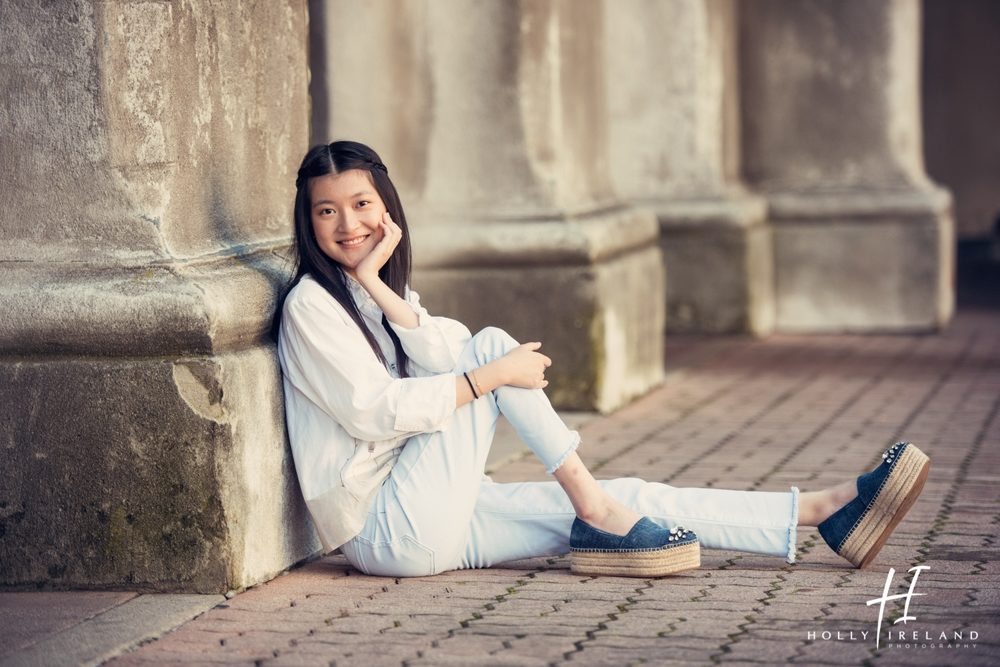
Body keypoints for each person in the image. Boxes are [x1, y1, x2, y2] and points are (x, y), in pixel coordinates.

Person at [274, 140, 930, 578]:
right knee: (494, 348)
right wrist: (493, 376)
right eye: (326, 211)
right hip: (385, 528)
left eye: (361, 205)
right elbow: (375, 409)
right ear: (309, 221)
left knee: (631, 502)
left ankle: (822, 511)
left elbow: (440, 354)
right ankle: (588, 500)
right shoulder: (310, 306)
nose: (347, 225)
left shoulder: (369, 294)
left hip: (439, 511)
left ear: (387, 209)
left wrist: (379, 286)